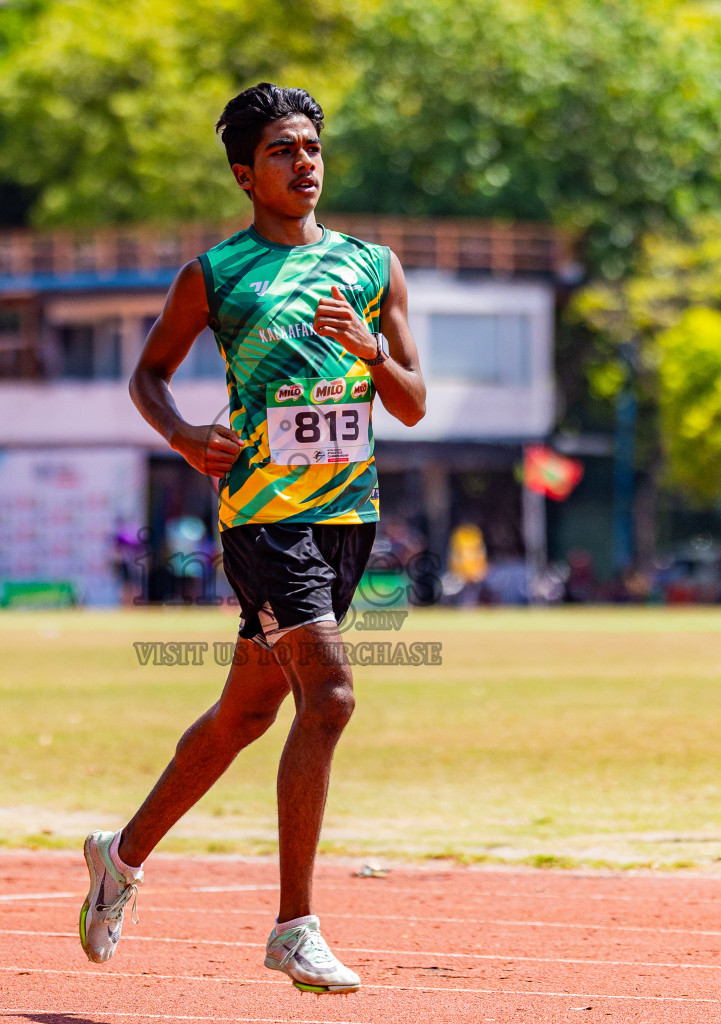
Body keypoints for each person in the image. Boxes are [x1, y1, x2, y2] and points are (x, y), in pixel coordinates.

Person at [85, 83, 427, 994]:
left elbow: (412, 402)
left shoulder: (372, 266)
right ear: (246, 173)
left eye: (311, 147)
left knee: (247, 713)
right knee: (334, 698)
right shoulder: (216, 275)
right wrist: (186, 436)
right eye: (282, 151)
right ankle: (294, 926)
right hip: (263, 516)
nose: (303, 163)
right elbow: (149, 376)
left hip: (348, 516)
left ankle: (119, 856)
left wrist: (369, 349)